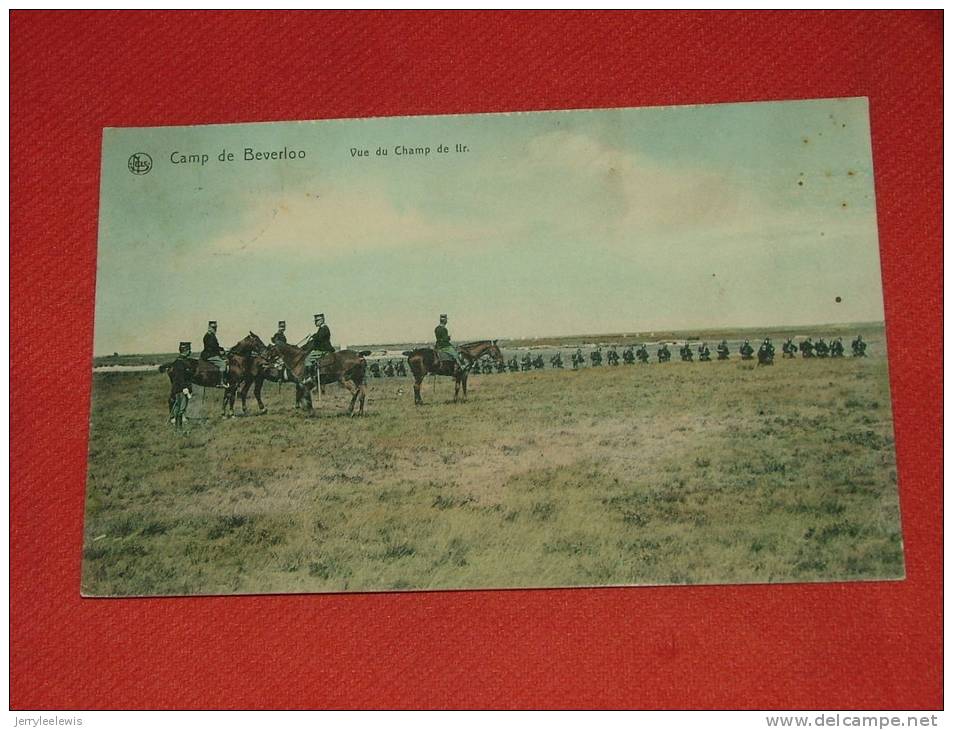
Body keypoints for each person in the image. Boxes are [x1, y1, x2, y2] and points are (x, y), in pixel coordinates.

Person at [169, 341, 194, 428]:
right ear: (185, 350)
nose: (190, 351)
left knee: (179, 408)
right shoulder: (179, 363)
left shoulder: (182, 361)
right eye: (189, 350)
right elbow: (180, 378)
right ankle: (178, 428)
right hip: (181, 390)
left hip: (182, 389)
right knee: (181, 409)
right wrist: (185, 389)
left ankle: (178, 427)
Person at [304, 313, 335, 382]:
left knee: (307, 359)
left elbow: (319, 338)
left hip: (324, 350)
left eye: (317, 321)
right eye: (315, 321)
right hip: (322, 349)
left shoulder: (324, 328)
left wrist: (313, 335)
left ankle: (309, 377)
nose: (315, 322)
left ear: (321, 320)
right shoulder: (322, 328)